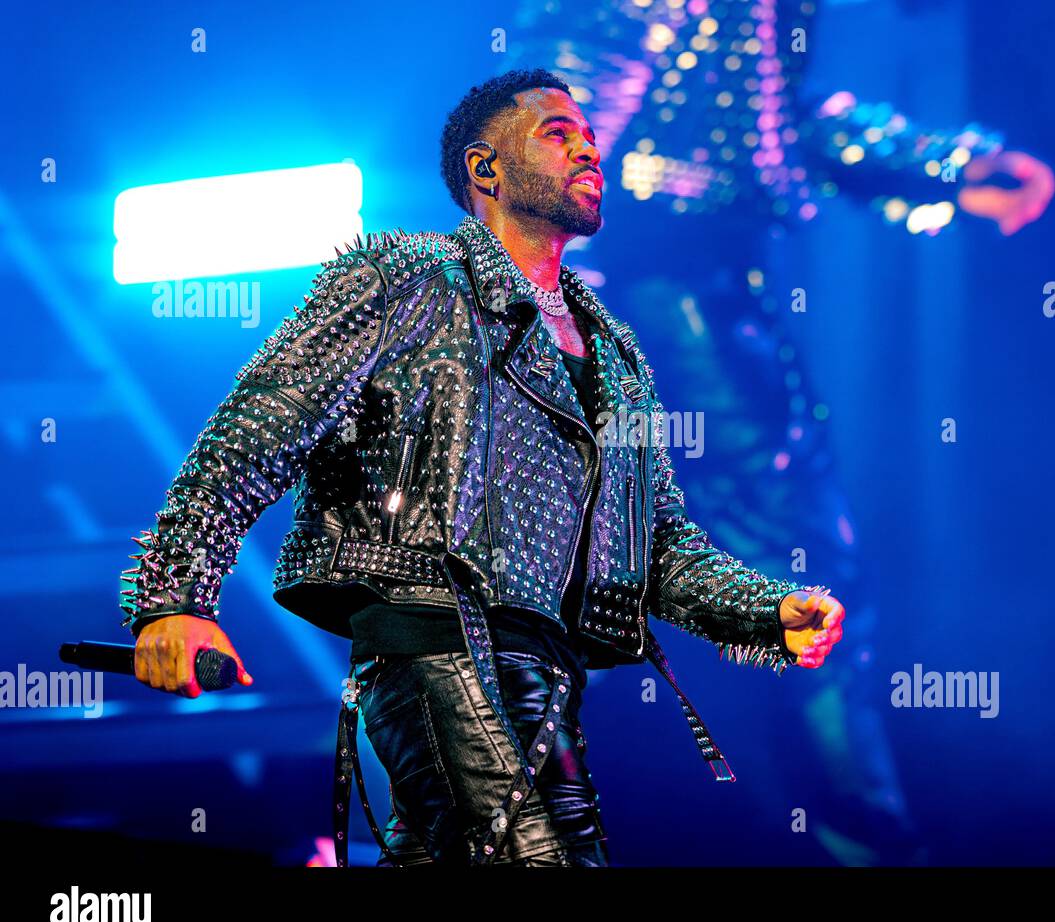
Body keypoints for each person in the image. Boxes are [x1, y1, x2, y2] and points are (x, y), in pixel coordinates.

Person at [120, 68, 846, 867]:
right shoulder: (406, 279)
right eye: (558, 133)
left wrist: (765, 611)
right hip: (432, 638)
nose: (588, 150)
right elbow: (256, 430)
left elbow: (657, 544)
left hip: (548, 673)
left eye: (592, 137)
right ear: (486, 169)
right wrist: (173, 599)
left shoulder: (617, 354)